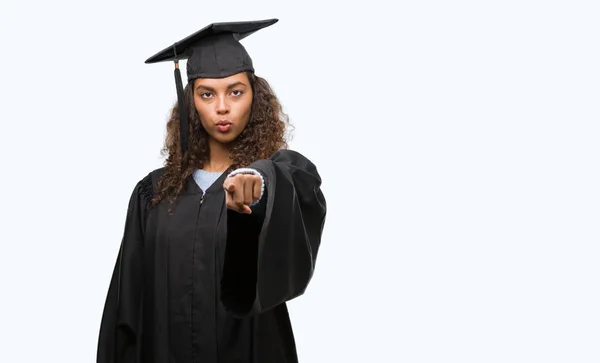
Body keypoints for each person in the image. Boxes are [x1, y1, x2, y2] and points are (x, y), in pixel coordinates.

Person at [96, 19, 327, 363]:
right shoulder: (154, 194)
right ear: (191, 103)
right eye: (207, 94)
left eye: (235, 91)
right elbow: (125, 307)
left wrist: (258, 182)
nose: (222, 107)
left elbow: (298, 182)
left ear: (255, 97)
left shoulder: (273, 179)